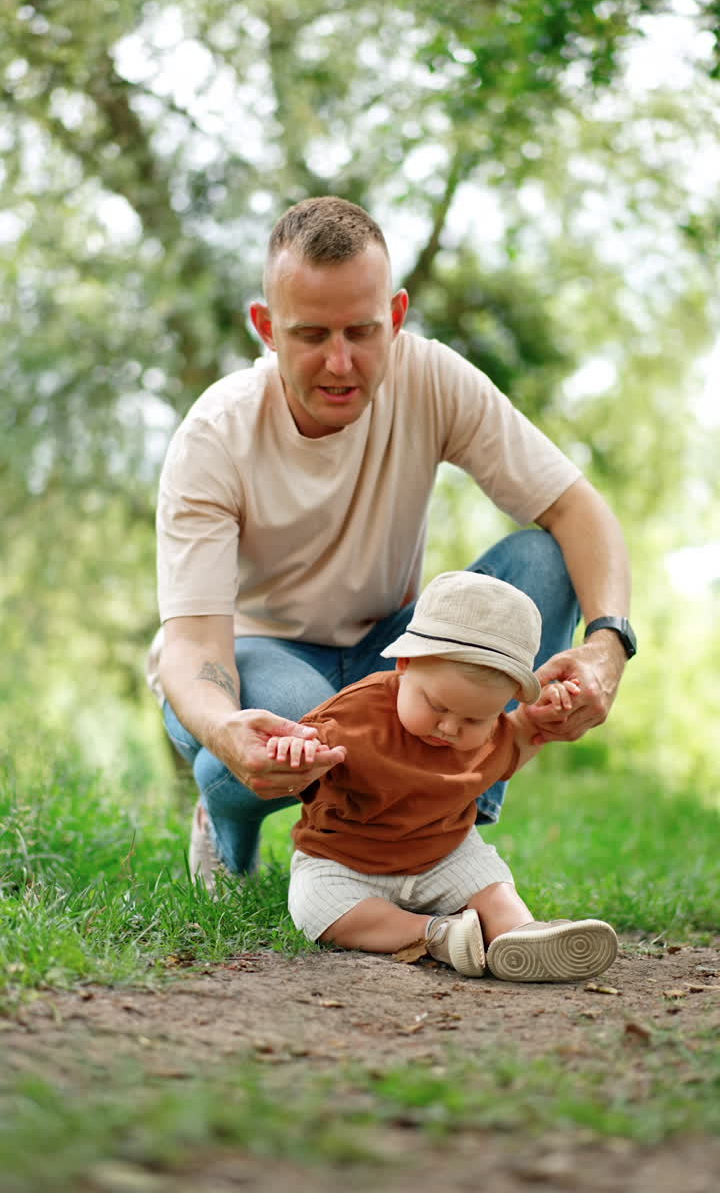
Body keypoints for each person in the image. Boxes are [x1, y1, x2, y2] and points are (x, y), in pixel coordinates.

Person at [148, 195, 635, 886]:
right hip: (257, 655)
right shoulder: (215, 436)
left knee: (543, 560)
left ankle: (440, 832)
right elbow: (195, 645)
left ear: (397, 317)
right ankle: (226, 818)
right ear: (266, 329)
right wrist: (226, 731)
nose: (341, 363)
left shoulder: (433, 378)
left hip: (394, 651)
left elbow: (581, 512)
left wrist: (607, 646)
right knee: (298, 729)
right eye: (312, 335)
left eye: (362, 332)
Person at [280, 571, 618, 982]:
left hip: (443, 856)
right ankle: (437, 934)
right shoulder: (352, 716)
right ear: (406, 664)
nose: (450, 728)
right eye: (437, 706)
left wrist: (541, 722)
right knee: (319, 906)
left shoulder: (493, 730)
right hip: (346, 861)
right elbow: (299, 764)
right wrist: (298, 755)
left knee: (491, 884)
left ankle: (522, 935)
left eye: (474, 718)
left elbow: (516, 743)